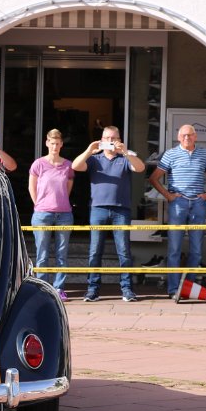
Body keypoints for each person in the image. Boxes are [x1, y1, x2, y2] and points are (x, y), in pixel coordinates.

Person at [71, 125, 144, 302]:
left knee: (124, 251)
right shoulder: (94, 159)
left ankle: (127, 289)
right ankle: (92, 289)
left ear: (119, 140)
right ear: (101, 140)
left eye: (113, 138)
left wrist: (125, 152)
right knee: (95, 250)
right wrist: (89, 150)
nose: (110, 141)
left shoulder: (125, 158)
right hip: (98, 209)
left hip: (121, 209)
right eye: (107, 138)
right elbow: (75, 166)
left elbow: (140, 168)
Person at [149, 124, 206, 298]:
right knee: (174, 249)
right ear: (178, 137)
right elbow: (154, 178)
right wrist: (168, 196)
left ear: (195, 137)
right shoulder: (170, 154)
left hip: (198, 204)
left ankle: (188, 289)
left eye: (190, 135)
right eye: (184, 135)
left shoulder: (203, 153)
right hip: (178, 204)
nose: (187, 138)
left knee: (197, 250)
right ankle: (173, 289)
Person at [29, 128, 74, 300]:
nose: (55, 146)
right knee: (42, 253)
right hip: (42, 213)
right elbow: (31, 187)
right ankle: (43, 288)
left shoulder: (68, 165)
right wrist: (39, 204)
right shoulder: (38, 164)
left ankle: (59, 288)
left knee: (62, 253)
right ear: (47, 143)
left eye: (58, 143)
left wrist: (59, 201)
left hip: (64, 213)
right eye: (52, 143)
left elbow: (67, 188)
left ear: (61, 144)